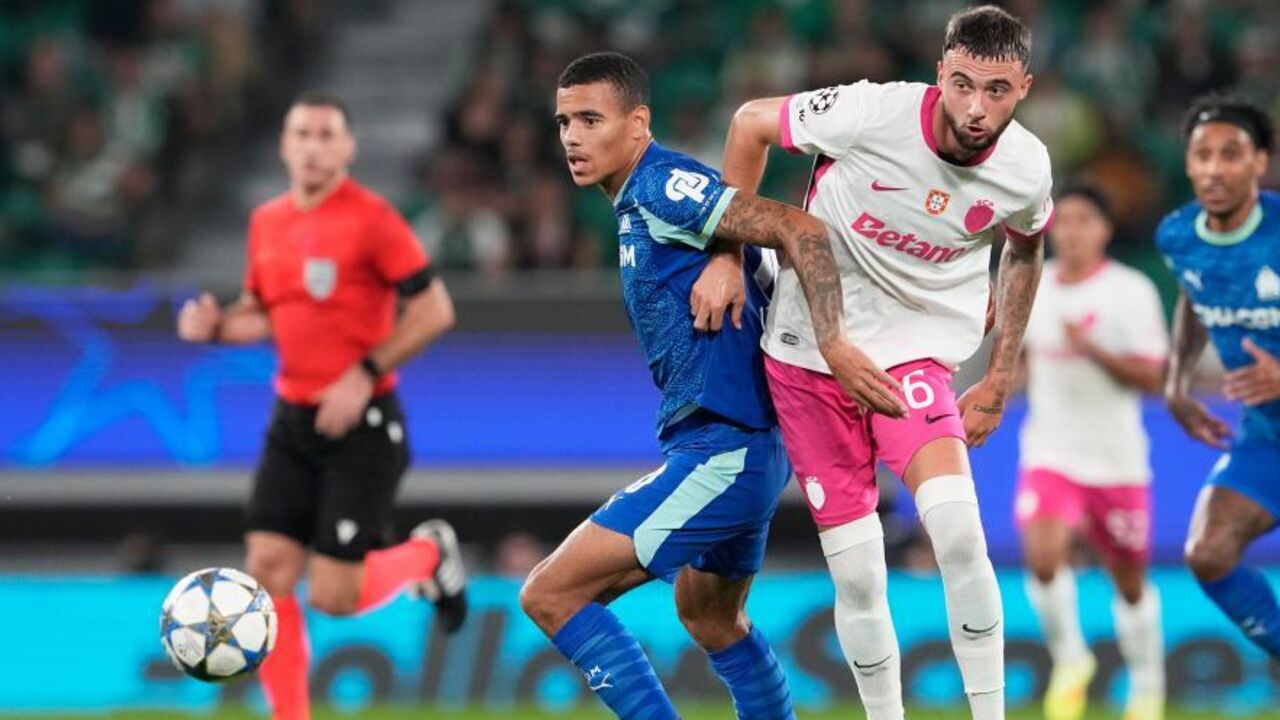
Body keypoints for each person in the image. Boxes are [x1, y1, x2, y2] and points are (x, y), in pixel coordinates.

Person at [518, 51, 899, 720]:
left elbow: (798, 228)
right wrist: (728, 254)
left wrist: (833, 342)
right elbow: (745, 233)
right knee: (710, 615)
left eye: (589, 119)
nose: (572, 137)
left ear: (638, 124)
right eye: (562, 122)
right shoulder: (641, 202)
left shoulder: (662, 186)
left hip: (724, 451)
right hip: (739, 447)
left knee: (550, 594)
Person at [719, 6, 1054, 719]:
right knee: (861, 575)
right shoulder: (871, 113)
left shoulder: (1026, 168)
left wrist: (999, 376)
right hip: (808, 357)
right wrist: (726, 253)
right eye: (962, 84)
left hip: (914, 358)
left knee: (960, 532)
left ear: (1024, 86)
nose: (974, 106)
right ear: (940, 72)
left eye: (996, 90)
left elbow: (1025, 248)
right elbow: (750, 120)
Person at [175, 92, 467, 720]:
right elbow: (265, 313)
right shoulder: (267, 222)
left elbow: (435, 308)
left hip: (362, 424)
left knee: (334, 597)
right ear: (284, 144)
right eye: (301, 133)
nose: (312, 145)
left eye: (326, 134)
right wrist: (217, 327)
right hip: (293, 420)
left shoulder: (372, 219)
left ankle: (429, 555)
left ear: (348, 147)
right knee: (269, 569)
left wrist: (362, 374)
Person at [1016, 183, 1167, 720]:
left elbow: (1154, 378)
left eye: (1084, 220)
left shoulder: (1131, 291)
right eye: (1065, 220)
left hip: (1117, 460)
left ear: (1104, 229)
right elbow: (1020, 365)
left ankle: (1147, 682)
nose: (1072, 231)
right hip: (1051, 452)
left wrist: (1093, 349)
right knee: (1042, 556)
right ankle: (1070, 658)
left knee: (1128, 582)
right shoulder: (1031, 285)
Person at [1159, 93, 1280, 660]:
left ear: (1260, 162)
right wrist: (1176, 382)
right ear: (1186, 162)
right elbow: (1193, 297)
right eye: (1202, 154)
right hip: (1267, 437)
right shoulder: (1178, 237)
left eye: (1231, 154)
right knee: (1209, 552)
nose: (1214, 168)